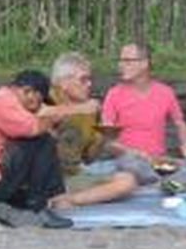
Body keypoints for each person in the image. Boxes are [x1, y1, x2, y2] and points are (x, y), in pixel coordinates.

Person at [0, 70, 98, 228]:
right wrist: (78, 109)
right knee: (42, 140)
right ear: (27, 91)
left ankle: (28, 204)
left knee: (40, 141)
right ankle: (38, 207)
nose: (36, 108)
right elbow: (33, 128)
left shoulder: (2, 99)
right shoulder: (3, 101)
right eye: (36, 102)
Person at [45, 52, 138, 209]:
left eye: (89, 79)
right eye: (83, 79)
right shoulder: (46, 100)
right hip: (44, 177)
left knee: (127, 179)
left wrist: (103, 136)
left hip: (71, 175)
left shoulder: (88, 110)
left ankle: (70, 200)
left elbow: (88, 158)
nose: (89, 84)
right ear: (63, 83)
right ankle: (66, 198)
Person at [102, 43, 186, 162]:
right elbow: (108, 141)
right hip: (128, 162)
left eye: (127, 61)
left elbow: (180, 124)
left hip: (158, 161)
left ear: (144, 64)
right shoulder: (113, 95)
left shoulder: (166, 92)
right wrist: (130, 152)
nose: (120, 65)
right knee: (135, 168)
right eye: (120, 61)